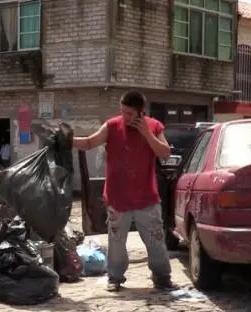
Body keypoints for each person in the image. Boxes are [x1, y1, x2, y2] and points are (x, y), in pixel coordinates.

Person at [72, 91, 177, 292]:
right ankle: (115, 277)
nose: (124, 117)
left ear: (140, 113)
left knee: (155, 240)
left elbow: (164, 153)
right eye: (122, 112)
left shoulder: (154, 126)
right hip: (117, 198)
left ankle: (162, 277)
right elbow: (89, 143)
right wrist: (68, 138)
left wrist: (147, 133)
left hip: (147, 198)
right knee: (117, 242)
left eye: (129, 114)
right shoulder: (112, 126)